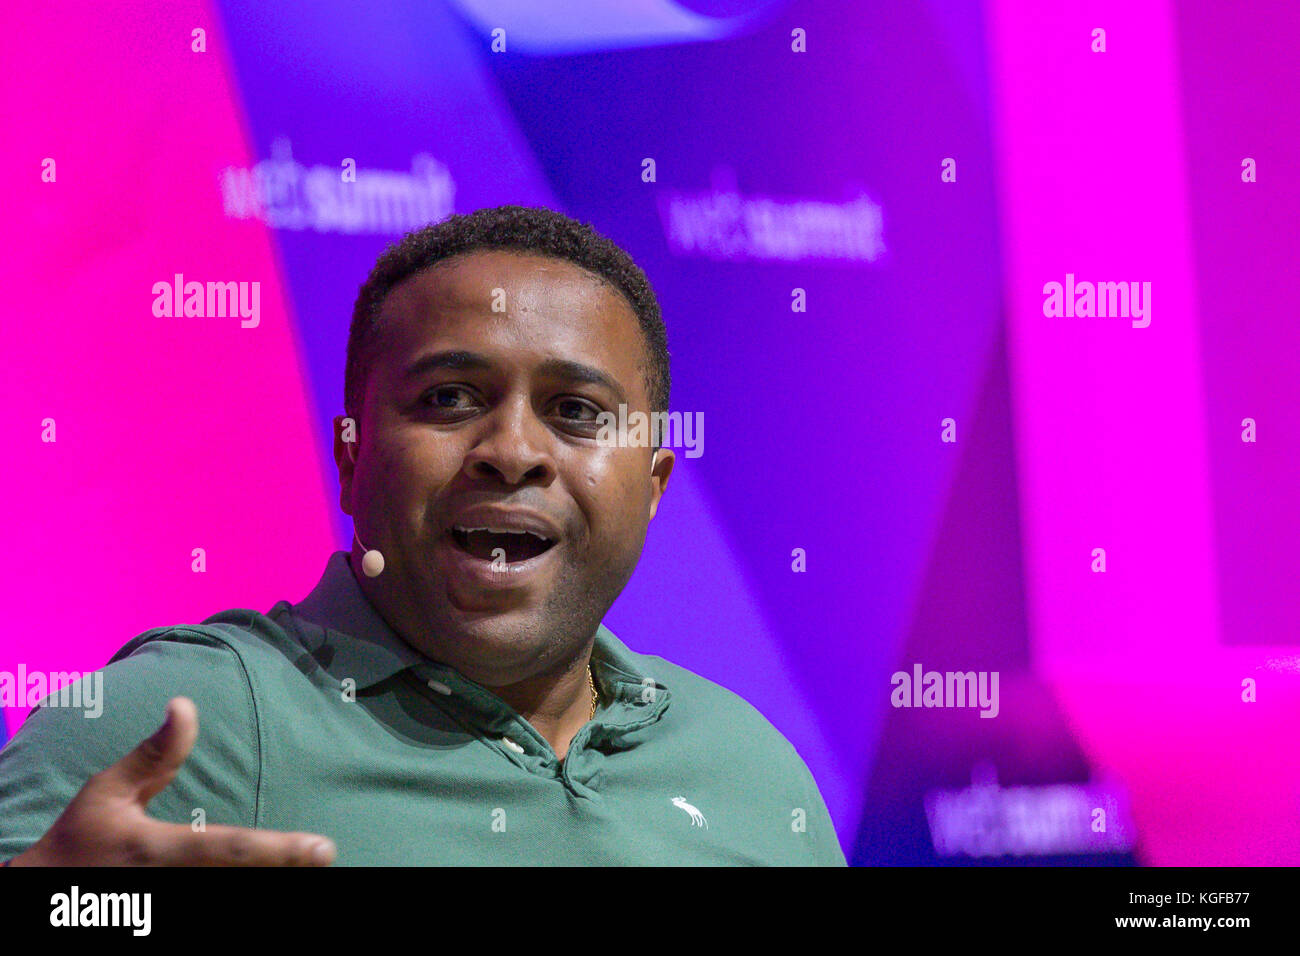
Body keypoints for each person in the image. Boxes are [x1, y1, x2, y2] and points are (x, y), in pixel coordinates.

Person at [0, 205, 845, 866]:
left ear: (652, 487)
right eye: (449, 398)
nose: (513, 451)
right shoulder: (191, 719)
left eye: (576, 413)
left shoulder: (750, 768)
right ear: (352, 459)